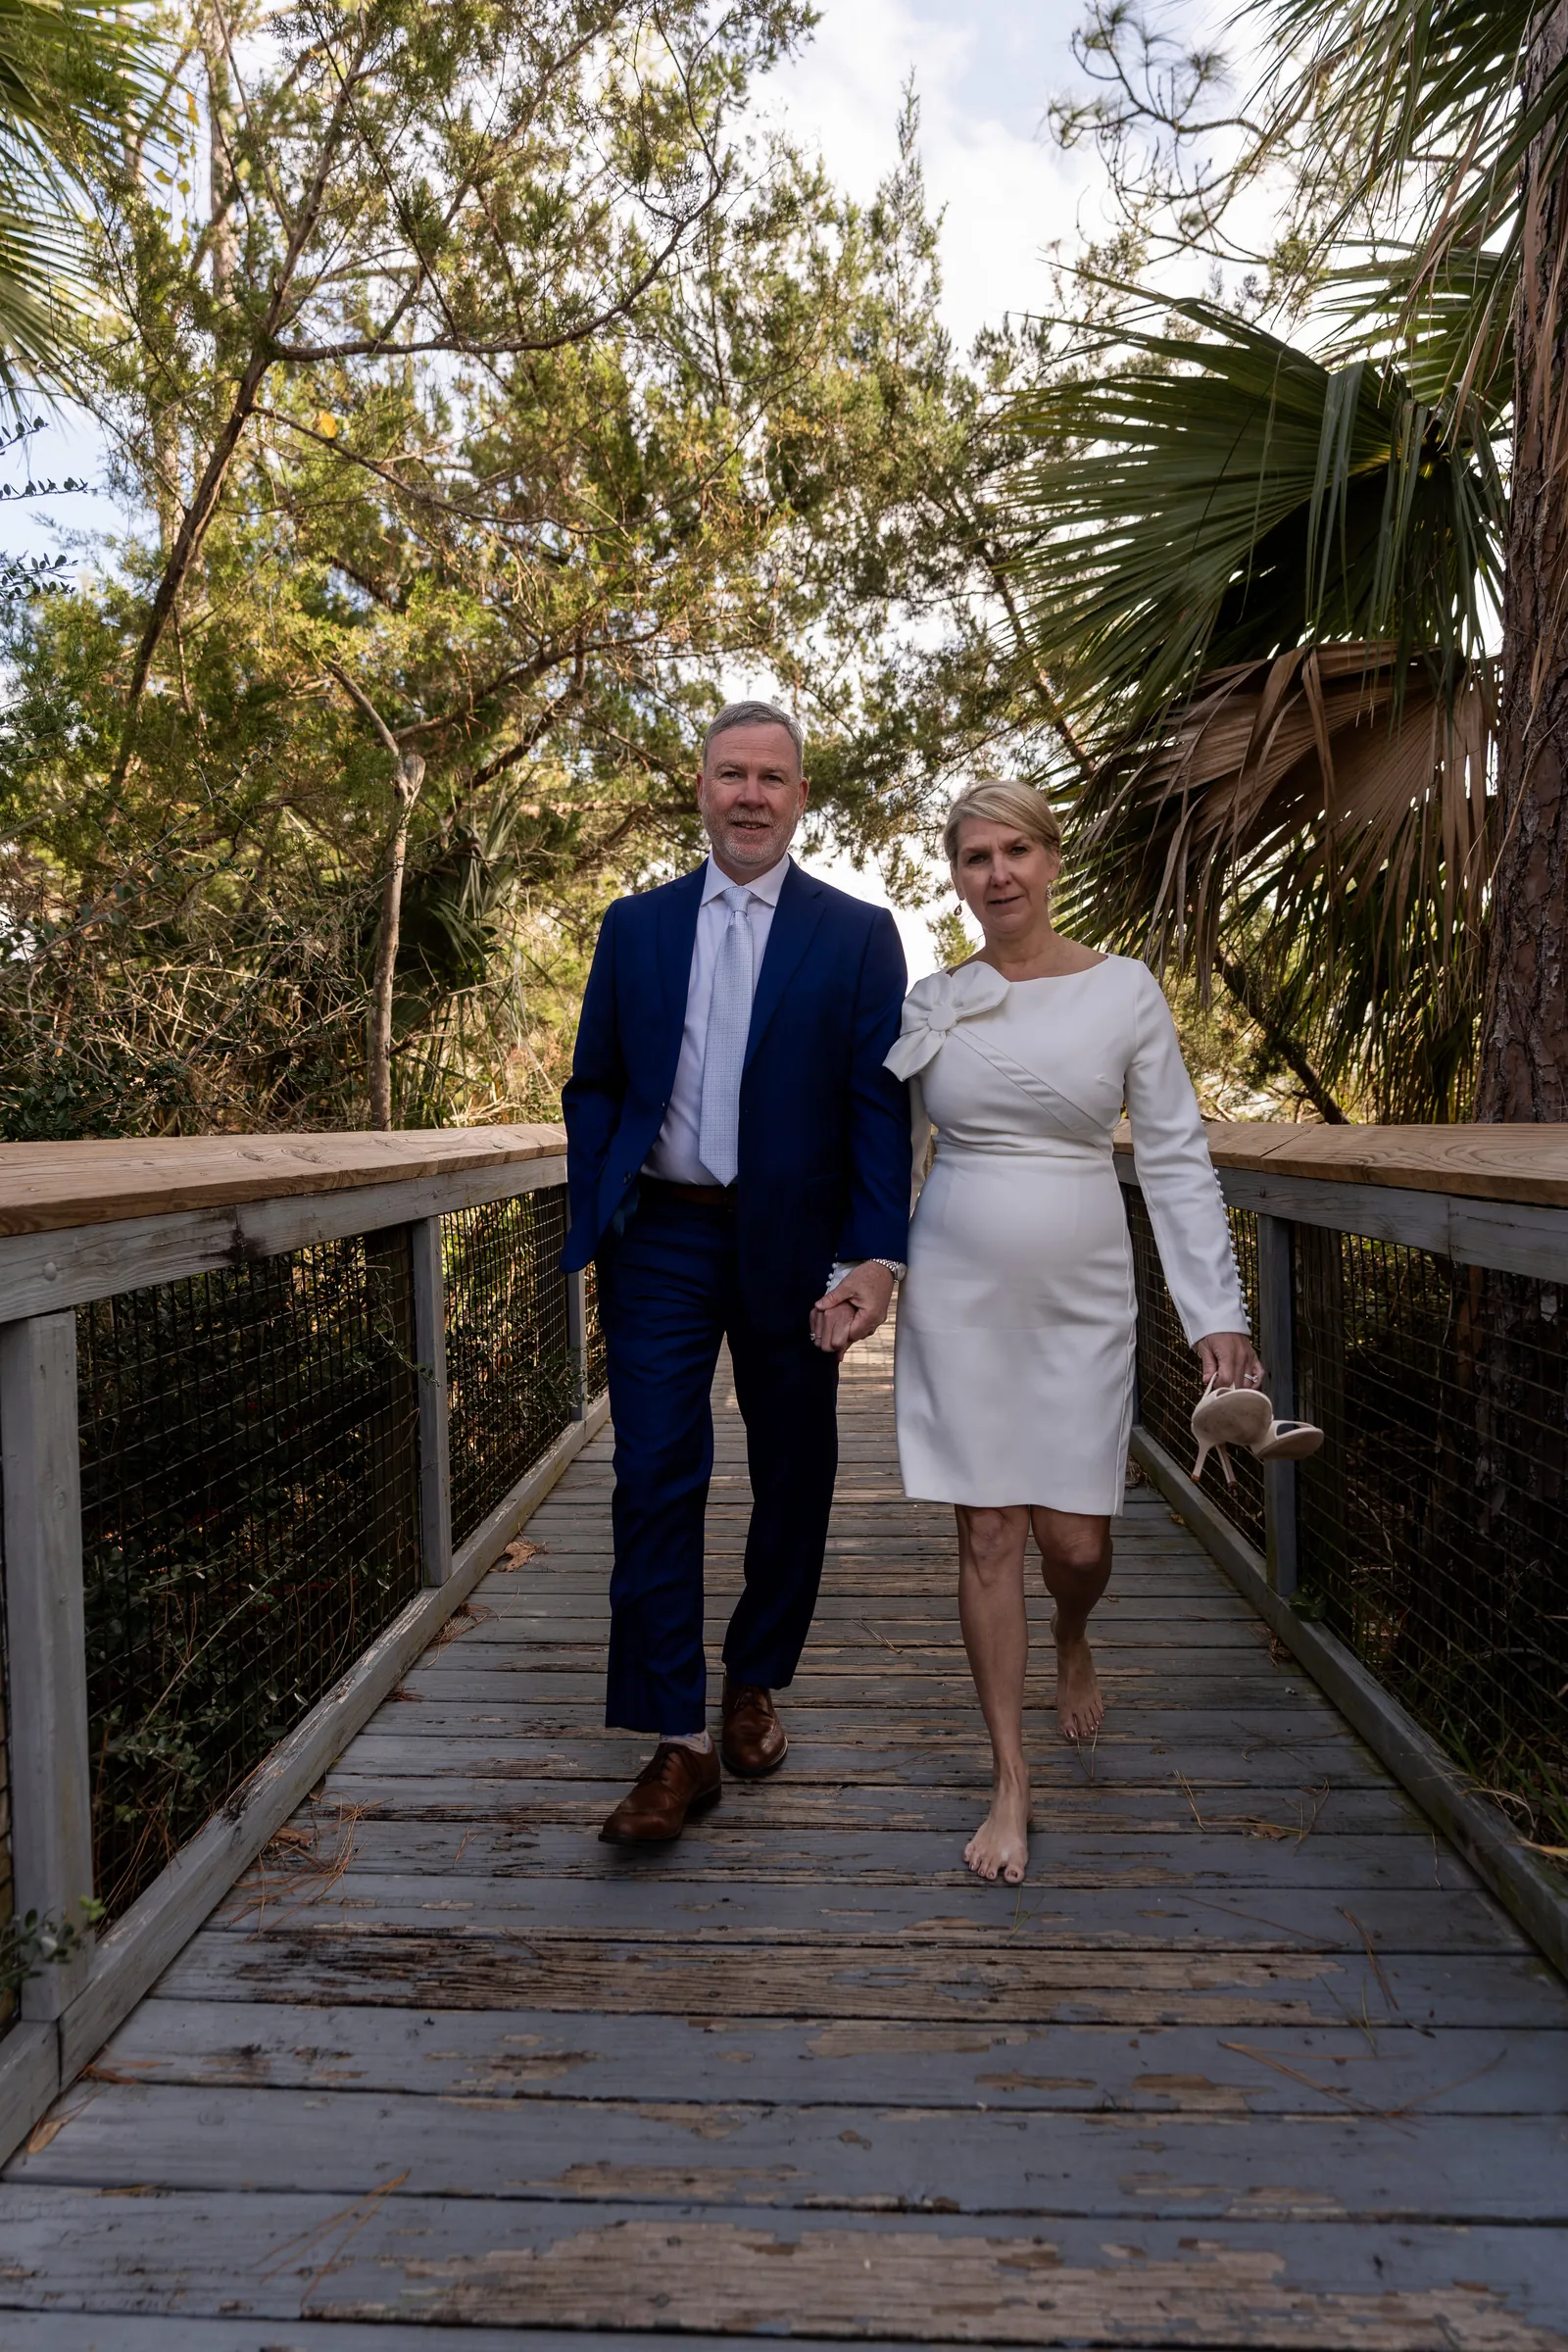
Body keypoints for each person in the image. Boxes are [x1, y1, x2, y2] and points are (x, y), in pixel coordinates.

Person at [884, 778, 1261, 1887]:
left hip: (1085, 1291)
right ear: (953, 877)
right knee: (988, 1535)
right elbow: (892, 1158)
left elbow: (1179, 1156)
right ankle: (1010, 1779)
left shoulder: (1124, 990)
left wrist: (1217, 1319)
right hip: (955, 1288)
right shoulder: (929, 999)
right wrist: (861, 1267)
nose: (995, 873)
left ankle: (1072, 1634)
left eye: (1015, 851)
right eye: (972, 857)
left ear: (1050, 861)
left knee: (1074, 1545)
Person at [562, 700, 911, 1844]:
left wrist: (873, 1254)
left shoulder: (857, 935)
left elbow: (875, 1109)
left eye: (772, 776)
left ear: (800, 797)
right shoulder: (635, 927)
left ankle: (755, 1676)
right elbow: (596, 1083)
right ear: (700, 789)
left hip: (791, 1241)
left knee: (795, 1470)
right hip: (659, 1236)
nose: (750, 794)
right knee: (653, 1473)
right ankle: (680, 1741)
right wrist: (601, 1194)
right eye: (729, 775)